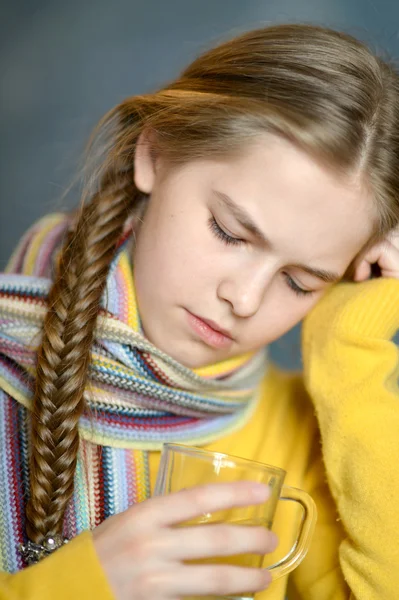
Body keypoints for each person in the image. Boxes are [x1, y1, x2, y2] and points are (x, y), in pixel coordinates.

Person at [0, 22, 399, 600]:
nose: (245, 299)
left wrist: (351, 342)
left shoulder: (306, 434)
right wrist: (80, 585)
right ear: (154, 154)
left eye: (300, 281)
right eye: (229, 232)